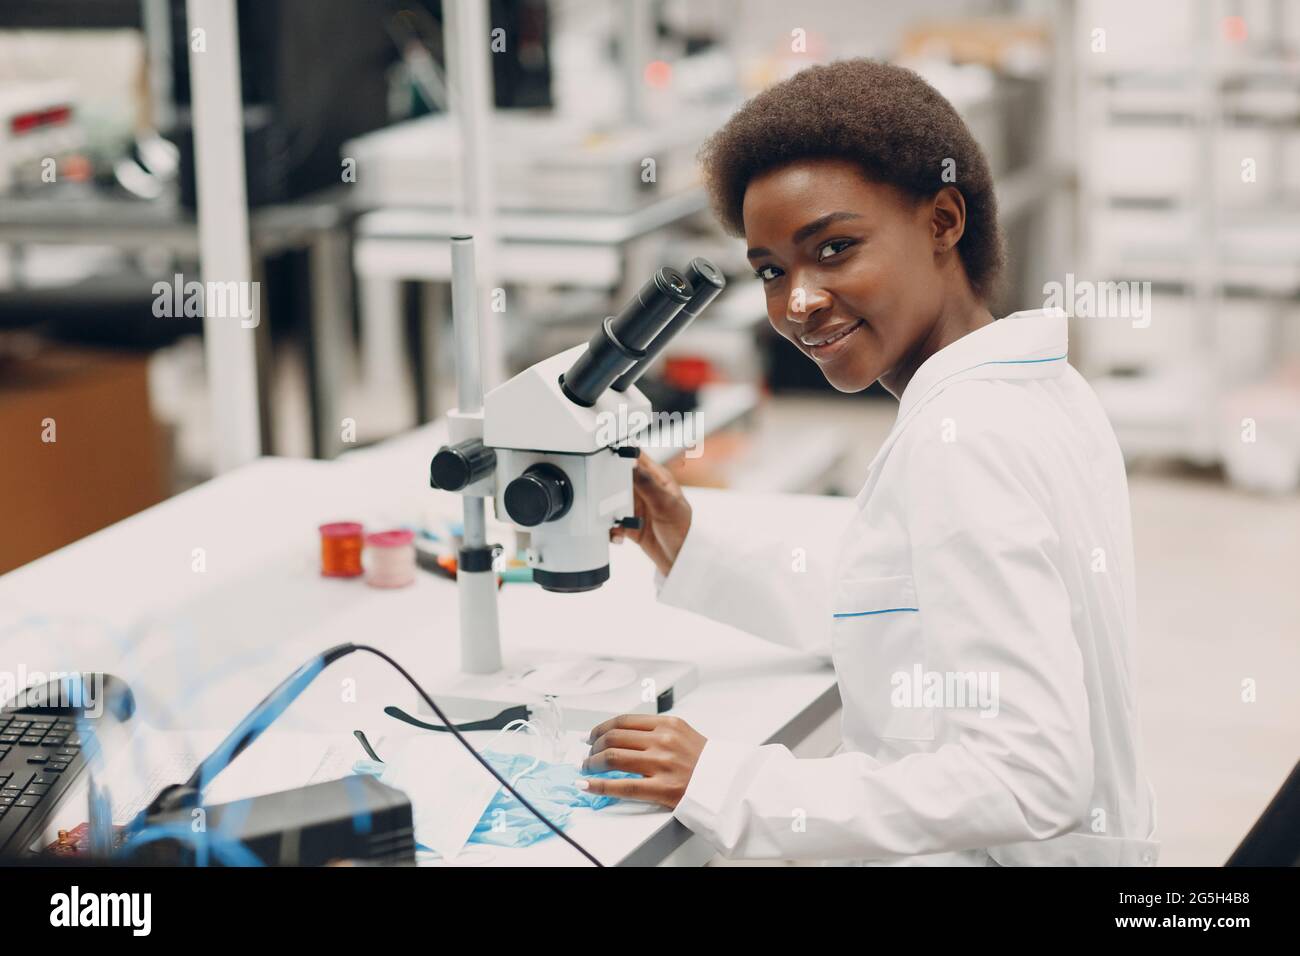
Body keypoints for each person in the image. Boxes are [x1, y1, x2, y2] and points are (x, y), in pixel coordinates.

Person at [577, 59, 1160, 866]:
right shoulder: (1038, 388)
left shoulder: (965, 441)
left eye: (836, 248)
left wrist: (731, 780)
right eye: (773, 271)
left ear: (943, 220)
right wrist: (684, 539)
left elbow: (1029, 777)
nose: (798, 302)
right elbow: (905, 614)